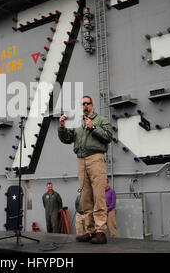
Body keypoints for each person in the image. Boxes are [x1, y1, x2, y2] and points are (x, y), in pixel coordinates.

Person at [58, 95, 112, 244]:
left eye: (87, 103)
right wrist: (62, 127)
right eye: (83, 104)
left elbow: (108, 136)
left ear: (92, 105)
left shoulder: (101, 120)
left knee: (98, 196)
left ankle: (100, 232)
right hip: (81, 160)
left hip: (96, 158)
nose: (85, 106)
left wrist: (93, 127)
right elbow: (67, 139)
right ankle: (90, 231)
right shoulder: (77, 124)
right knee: (86, 197)